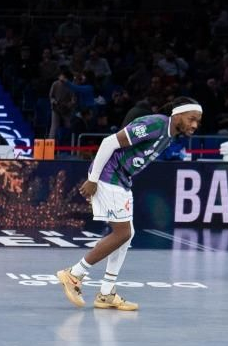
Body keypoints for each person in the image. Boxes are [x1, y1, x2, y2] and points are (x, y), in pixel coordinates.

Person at [57, 98, 204, 310]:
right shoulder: (156, 124)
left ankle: (106, 293)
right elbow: (109, 142)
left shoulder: (169, 134)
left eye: (197, 121)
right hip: (109, 176)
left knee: (127, 234)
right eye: (191, 119)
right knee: (123, 233)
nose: (194, 125)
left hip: (122, 180)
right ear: (177, 114)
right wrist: (93, 179)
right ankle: (74, 274)